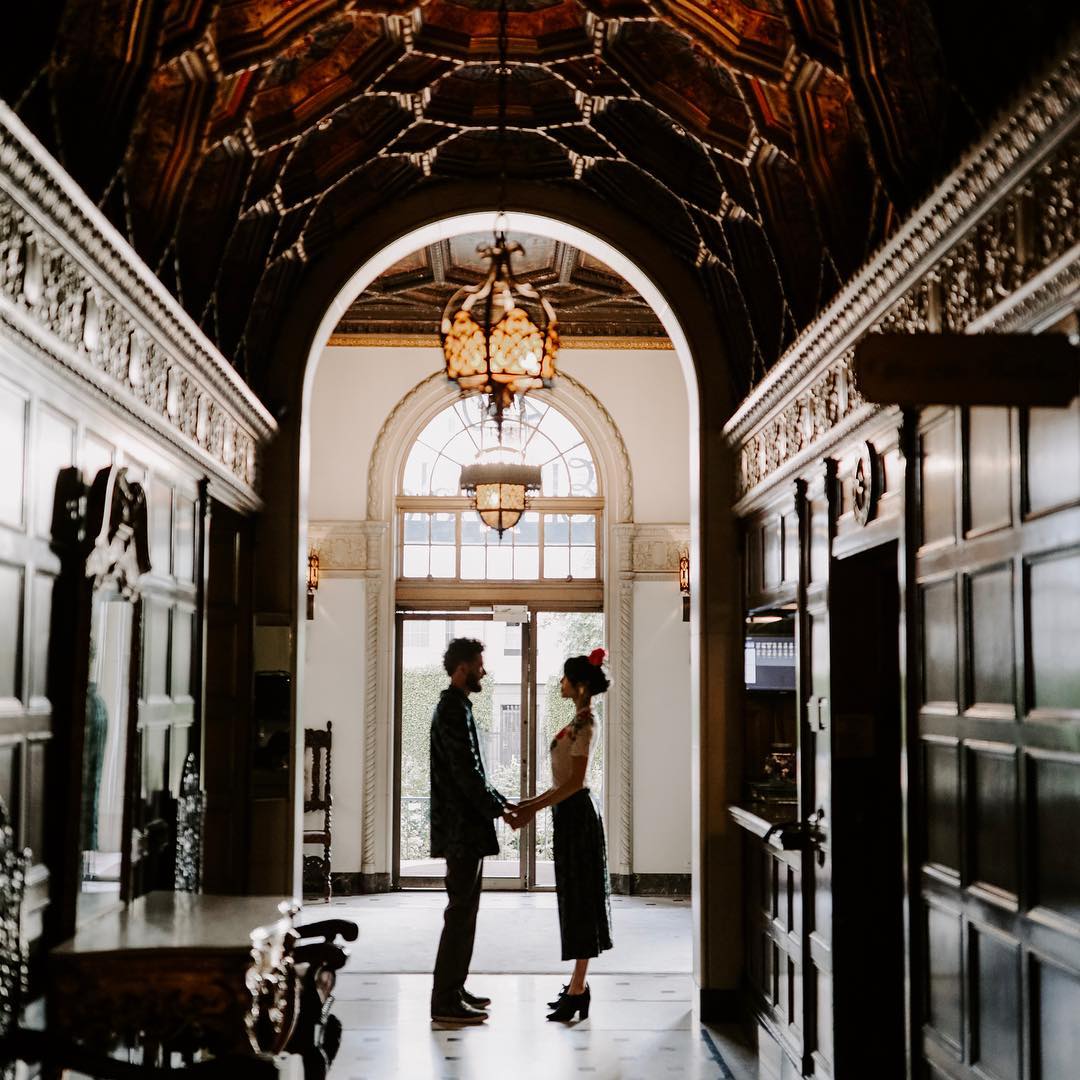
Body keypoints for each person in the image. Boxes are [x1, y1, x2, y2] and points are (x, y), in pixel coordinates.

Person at [508, 647, 613, 1022]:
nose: (561, 683)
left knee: (581, 901)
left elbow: (575, 783)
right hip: (566, 815)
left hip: (578, 816)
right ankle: (576, 986)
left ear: (580, 685)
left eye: (566, 678)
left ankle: (578, 988)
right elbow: (561, 783)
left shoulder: (587, 725)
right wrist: (528, 804)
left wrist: (530, 810)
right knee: (573, 900)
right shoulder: (577, 721)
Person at [429, 637, 516, 1024]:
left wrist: (503, 802)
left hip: (467, 828)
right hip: (460, 830)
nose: (484, 670)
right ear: (462, 668)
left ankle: (456, 988)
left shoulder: (459, 707)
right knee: (460, 912)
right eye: (479, 664)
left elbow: (476, 771)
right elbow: (465, 773)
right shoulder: (451, 709)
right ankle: (445, 999)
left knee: (466, 912)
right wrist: (499, 808)